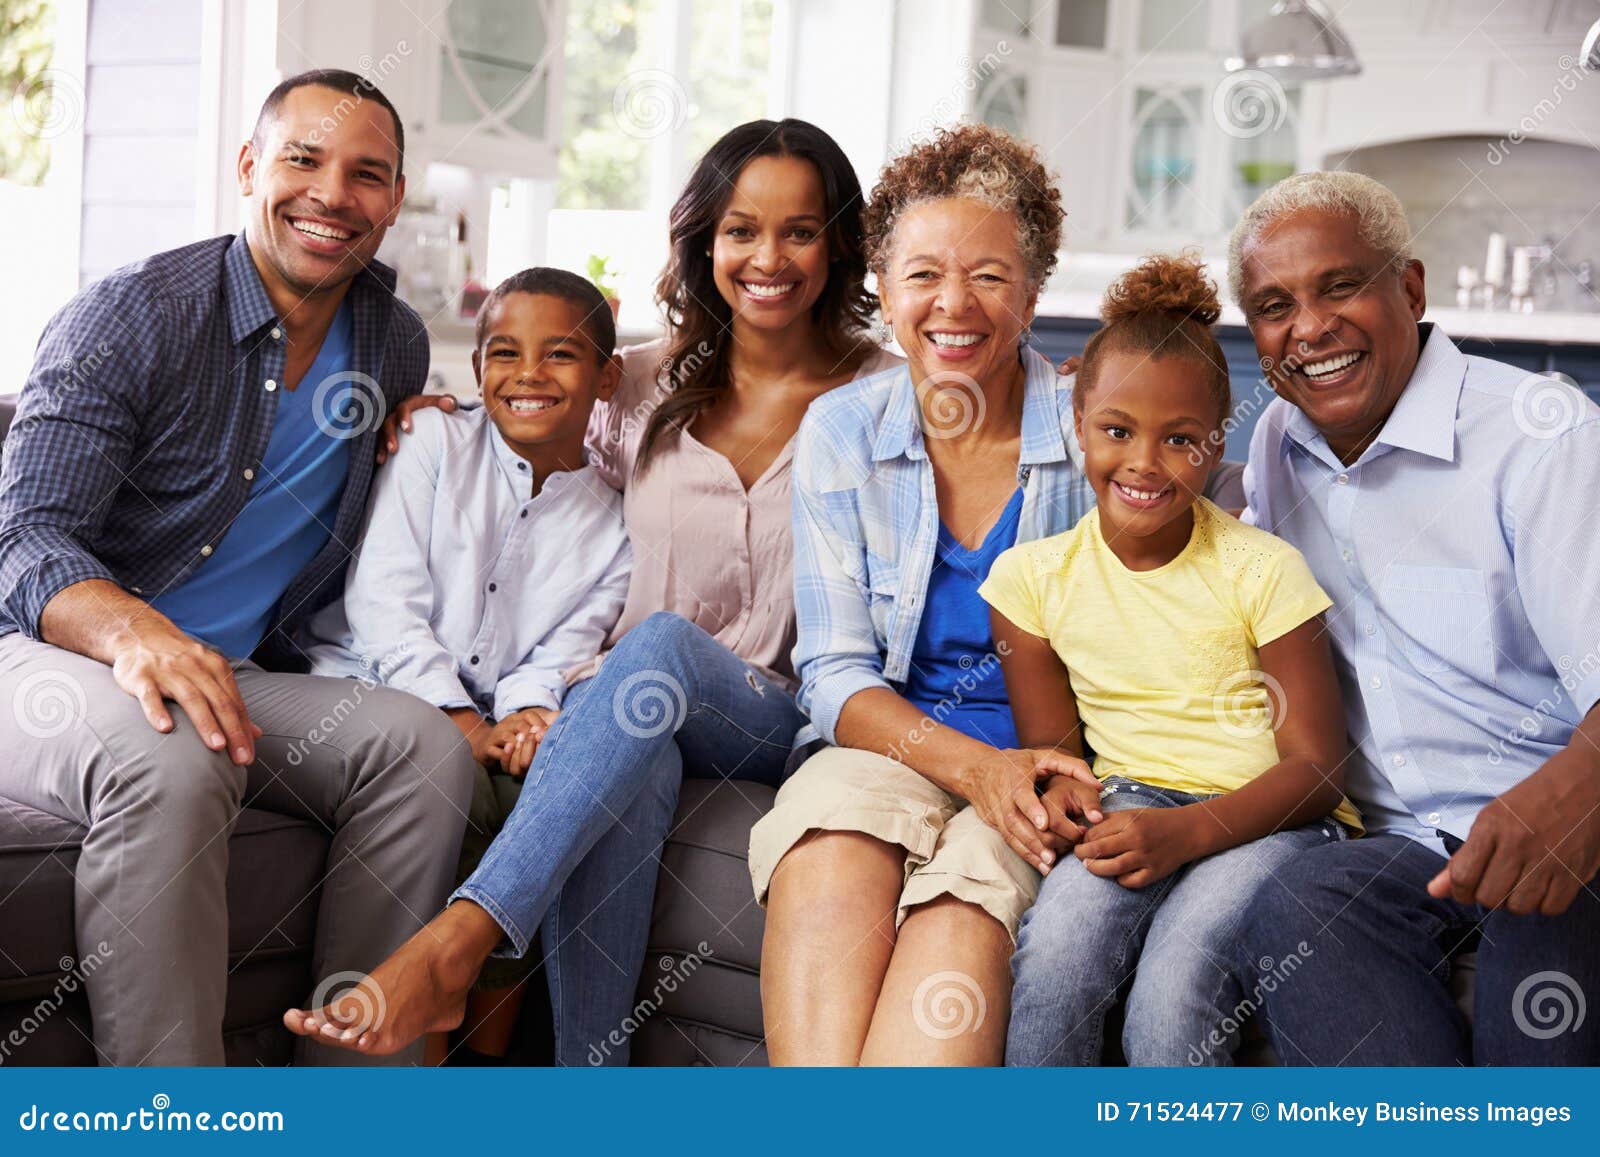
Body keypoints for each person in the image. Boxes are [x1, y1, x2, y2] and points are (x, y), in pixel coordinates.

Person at [286, 118, 900, 1061]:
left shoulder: (886, 400)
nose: (767, 257)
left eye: (800, 231)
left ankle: (461, 941)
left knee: (653, 650)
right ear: (706, 242)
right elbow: (531, 426)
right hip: (629, 709)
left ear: (838, 243)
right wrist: (435, 415)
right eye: (741, 230)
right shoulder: (643, 384)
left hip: (784, 716)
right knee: (636, 723)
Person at [0, 69, 477, 1066]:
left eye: (367, 174)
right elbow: (26, 540)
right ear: (250, 166)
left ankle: (356, 1104)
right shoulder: (130, 316)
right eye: (303, 160)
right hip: (48, 661)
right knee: (171, 749)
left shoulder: (390, 341)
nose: (332, 195)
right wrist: (141, 634)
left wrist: (424, 435)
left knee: (421, 750)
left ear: (392, 201)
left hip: (239, 672)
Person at [751, 125, 1243, 1066]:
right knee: (828, 848)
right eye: (923, 274)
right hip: (882, 748)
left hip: (1050, 774)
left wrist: (1019, 780)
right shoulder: (842, 431)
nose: (954, 304)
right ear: (885, 291)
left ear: (1031, 291)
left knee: (953, 938)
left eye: (989, 275)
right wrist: (973, 768)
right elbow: (833, 673)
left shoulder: (1102, 432)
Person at [1228, 171, 1600, 1064]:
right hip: (1397, 849)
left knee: (1543, 971)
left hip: (1560, 830)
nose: (1309, 327)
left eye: (1340, 285)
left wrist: (1575, 786)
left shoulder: (1539, 438)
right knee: (1294, 906)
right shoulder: (1280, 442)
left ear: (1411, 287)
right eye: (1275, 305)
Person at [983, 252, 1358, 1067]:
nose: (1146, 464)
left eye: (1180, 440)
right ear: (1076, 425)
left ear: (1215, 444)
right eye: (1117, 431)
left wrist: (1186, 833)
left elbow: (1321, 770)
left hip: (1277, 817)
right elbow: (1061, 755)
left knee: (1178, 976)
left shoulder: (1265, 570)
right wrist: (1068, 801)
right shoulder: (1027, 583)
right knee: (1054, 964)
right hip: (1133, 804)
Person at [297, 268, 631, 1060]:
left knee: (541, 792)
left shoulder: (612, 519)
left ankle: (486, 1059)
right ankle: (460, 1047)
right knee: (470, 789)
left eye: (561, 355)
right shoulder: (432, 442)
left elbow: (561, 646)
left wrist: (523, 716)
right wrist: (461, 721)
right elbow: (385, 601)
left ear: (608, 377)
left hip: (483, 712)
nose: (528, 375)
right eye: (503, 352)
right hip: (368, 686)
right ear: (477, 365)